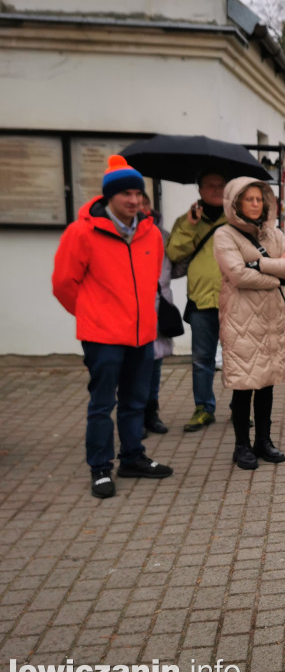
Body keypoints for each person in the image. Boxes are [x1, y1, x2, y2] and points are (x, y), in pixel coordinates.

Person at [52, 155, 174, 498]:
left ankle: (133, 457)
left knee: (136, 402)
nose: (133, 200)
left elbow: (151, 284)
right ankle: (101, 467)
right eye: (126, 194)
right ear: (109, 196)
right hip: (103, 337)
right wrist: (93, 315)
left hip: (142, 335)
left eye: (138, 193)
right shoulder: (82, 233)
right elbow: (64, 284)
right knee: (102, 404)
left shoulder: (150, 233)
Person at [213, 177, 285, 470]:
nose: (254, 204)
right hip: (240, 318)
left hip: (270, 317)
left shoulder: (273, 234)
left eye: (258, 199)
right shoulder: (225, 235)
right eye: (248, 199)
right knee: (244, 383)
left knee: (266, 383)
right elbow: (237, 275)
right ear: (235, 202)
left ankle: (264, 440)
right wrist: (278, 275)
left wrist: (260, 265)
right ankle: (242, 446)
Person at [166, 170, 229, 432]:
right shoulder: (187, 220)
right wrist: (191, 225)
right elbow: (173, 252)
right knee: (201, 358)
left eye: (220, 185)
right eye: (210, 185)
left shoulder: (237, 219)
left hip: (234, 299)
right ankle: (204, 408)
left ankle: (241, 406)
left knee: (237, 358)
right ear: (199, 190)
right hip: (201, 300)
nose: (216, 189)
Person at [139, 193, 174, 437]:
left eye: (145, 202)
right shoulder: (122, 236)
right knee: (134, 368)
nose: (140, 207)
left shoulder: (162, 235)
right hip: (134, 309)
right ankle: (135, 417)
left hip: (159, 306)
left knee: (155, 365)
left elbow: (177, 263)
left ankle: (151, 413)